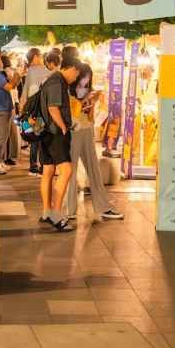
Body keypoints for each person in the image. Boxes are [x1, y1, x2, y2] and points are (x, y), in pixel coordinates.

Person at [65, 62, 124, 222]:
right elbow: (71, 112)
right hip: (74, 132)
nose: (85, 81)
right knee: (70, 170)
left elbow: (89, 115)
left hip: (87, 130)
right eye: (83, 77)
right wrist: (84, 100)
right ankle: (69, 209)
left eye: (88, 78)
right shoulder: (68, 90)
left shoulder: (88, 90)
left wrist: (92, 101)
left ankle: (103, 207)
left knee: (94, 170)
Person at [37, 55, 82, 232]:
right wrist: (63, 126)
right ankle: (56, 215)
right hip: (55, 133)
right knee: (66, 170)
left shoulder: (50, 79)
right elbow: (53, 107)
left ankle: (47, 211)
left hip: (45, 132)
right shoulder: (57, 81)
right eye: (76, 74)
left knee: (48, 171)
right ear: (71, 68)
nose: (75, 78)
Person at [20, 48, 51, 177]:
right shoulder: (46, 71)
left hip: (31, 111)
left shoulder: (30, 72)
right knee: (41, 138)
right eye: (41, 56)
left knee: (34, 139)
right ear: (36, 57)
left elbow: (25, 93)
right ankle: (42, 166)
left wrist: (22, 111)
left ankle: (33, 166)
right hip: (42, 111)